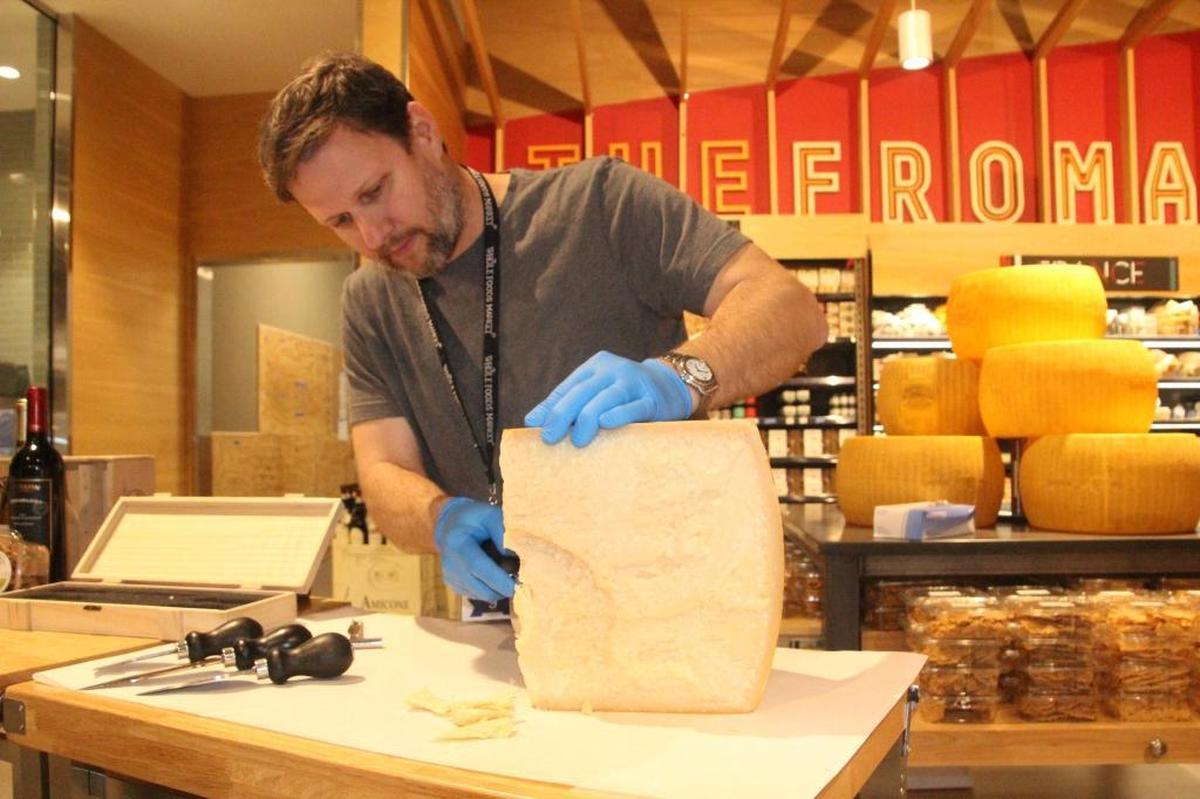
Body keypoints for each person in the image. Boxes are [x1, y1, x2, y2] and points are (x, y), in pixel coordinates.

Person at [258, 52, 826, 603]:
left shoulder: (601, 203)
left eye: (374, 192)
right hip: (509, 618)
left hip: (670, 600)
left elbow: (791, 308)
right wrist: (440, 519)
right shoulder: (369, 299)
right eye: (341, 221)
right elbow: (383, 468)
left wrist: (678, 377)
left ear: (422, 132)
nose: (372, 235)